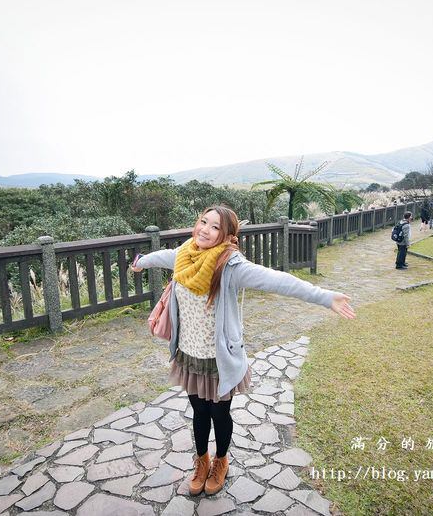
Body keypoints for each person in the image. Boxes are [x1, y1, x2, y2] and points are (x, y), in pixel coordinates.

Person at [130, 205, 355, 496]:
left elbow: (279, 281)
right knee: (198, 410)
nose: (205, 230)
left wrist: (325, 297)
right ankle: (202, 461)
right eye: (203, 222)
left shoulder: (231, 265)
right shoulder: (186, 254)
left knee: (219, 414)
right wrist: (141, 261)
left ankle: (221, 461)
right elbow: (162, 257)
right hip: (189, 353)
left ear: (227, 235)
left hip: (219, 359)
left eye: (215, 227)